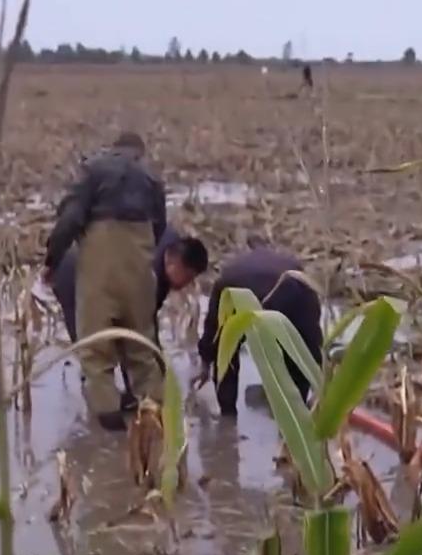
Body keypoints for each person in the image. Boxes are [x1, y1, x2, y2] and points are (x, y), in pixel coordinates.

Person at [43, 132, 167, 432]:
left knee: (96, 352)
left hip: (100, 259)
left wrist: (52, 260)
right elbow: (160, 228)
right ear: (139, 152)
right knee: (141, 348)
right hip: (139, 261)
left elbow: (70, 220)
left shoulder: (93, 169)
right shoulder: (151, 179)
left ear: (114, 148)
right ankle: (155, 427)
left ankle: (112, 438)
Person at [49, 227, 209, 410]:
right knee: (91, 345)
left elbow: (146, 324)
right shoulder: (148, 275)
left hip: (103, 264)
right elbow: (133, 335)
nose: (187, 284)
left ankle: (118, 396)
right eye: (187, 277)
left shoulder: (169, 245)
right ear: (175, 263)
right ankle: (102, 410)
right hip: (73, 273)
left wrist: (157, 361)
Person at [194, 246, 323, 418]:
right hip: (253, 285)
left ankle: (228, 416)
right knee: (297, 355)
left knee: (225, 355)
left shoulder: (297, 288)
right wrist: (317, 382)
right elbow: (309, 343)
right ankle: (294, 416)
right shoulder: (301, 288)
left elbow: (214, 331)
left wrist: (205, 362)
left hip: (268, 288)